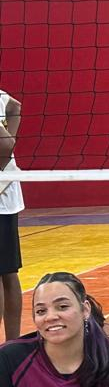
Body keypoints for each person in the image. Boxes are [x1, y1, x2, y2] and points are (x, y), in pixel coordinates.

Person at [0, 90, 23, 340]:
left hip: (2, 195)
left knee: (5, 273)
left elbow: (5, 146)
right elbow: (15, 106)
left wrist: (3, 161)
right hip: (7, 193)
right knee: (8, 272)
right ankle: (12, 343)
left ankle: (10, 344)